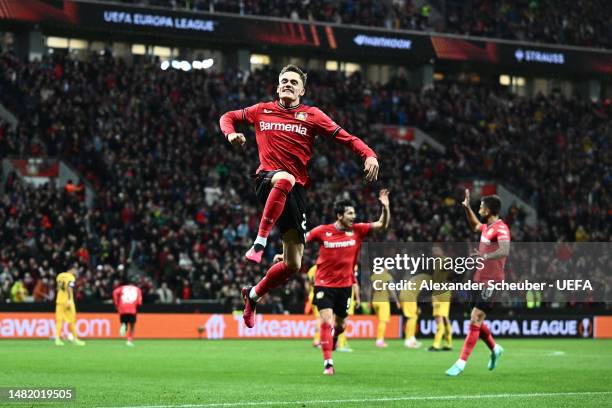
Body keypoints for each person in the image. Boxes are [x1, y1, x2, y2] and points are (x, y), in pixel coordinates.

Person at [219, 64, 379, 329]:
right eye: (284, 80)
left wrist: (369, 154)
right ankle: (259, 242)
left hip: (295, 193)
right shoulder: (261, 110)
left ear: (303, 90)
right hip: (267, 180)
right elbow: (227, 116)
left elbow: (346, 138)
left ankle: (254, 294)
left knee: (293, 264)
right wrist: (232, 134)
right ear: (277, 86)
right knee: (284, 177)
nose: (288, 84)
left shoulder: (313, 115)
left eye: (294, 81)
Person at [304, 191, 390, 374]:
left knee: (341, 325)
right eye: (350, 213)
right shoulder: (322, 231)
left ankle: (333, 339)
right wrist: (284, 255)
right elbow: (300, 241)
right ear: (339, 215)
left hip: (345, 286)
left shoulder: (357, 230)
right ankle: (328, 363)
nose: (354, 216)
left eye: (354, 213)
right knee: (326, 321)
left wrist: (386, 207)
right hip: (324, 284)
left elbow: (382, 225)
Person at [446, 190, 510, 376]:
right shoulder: (486, 228)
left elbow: (505, 250)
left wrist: (486, 255)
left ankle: (460, 363)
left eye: (481, 206)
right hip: (479, 280)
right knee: (477, 320)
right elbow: (475, 224)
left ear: (489, 210)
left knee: (475, 318)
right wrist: (466, 208)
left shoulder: (501, 228)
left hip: (493, 282)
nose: (479, 208)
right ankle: (495, 348)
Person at [428, 244, 453, 352]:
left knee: (438, 318)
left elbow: (451, 269)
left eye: (436, 250)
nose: (433, 253)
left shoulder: (444, 261)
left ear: (441, 251)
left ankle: (436, 344)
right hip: (443, 292)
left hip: (440, 294)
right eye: (433, 251)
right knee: (445, 318)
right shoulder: (437, 263)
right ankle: (448, 343)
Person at [370, 267, 401, 348]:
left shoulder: (374, 276)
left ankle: (379, 338)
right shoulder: (387, 276)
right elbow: (391, 290)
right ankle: (379, 340)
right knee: (383, 321)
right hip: (383, 301)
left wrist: (370, 301)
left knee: (380, 321)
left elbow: (371, 289)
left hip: (375, 301)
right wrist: (396, 301)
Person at [54, 267, 85, 346]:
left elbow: (58, 288)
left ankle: (57, 339)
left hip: (59, 300)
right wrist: (69, 300)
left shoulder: (59, 276)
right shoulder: (71, 277)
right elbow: (69, 287)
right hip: (67, 301)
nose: (76, 273)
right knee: (72, 320)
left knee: (59, 320)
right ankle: (75, 339)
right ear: (71, 270)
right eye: (75, 271)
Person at [112, 277, 143, 347]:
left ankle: (123, 325)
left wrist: (117, 304)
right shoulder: (137, 289)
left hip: (122, 308)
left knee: (124, 321)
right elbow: (139, 302)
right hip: (132, 308)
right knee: (132, 326)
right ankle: (129, 340)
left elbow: (114, 292)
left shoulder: (123, 288)